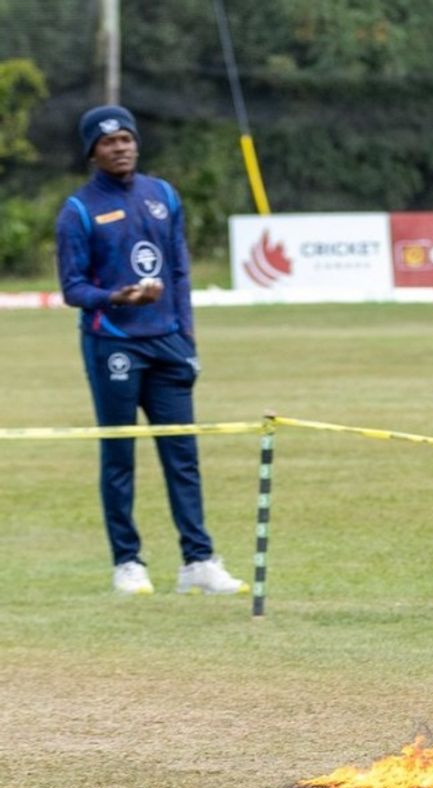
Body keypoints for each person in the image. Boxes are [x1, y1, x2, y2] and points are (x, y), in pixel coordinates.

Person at [55, 105, 246, 597]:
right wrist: (116, 298)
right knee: (119, 455)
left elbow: (179, 271)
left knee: (182, 455)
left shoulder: (162, 195)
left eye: (127, 138)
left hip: (168, 345)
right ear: (92, 152)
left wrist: (187, 336)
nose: (121, 147)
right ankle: (128, 563)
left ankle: (198, 561)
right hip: (113, 344)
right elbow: (73, 288)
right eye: (109, 142)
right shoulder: (78, 210)